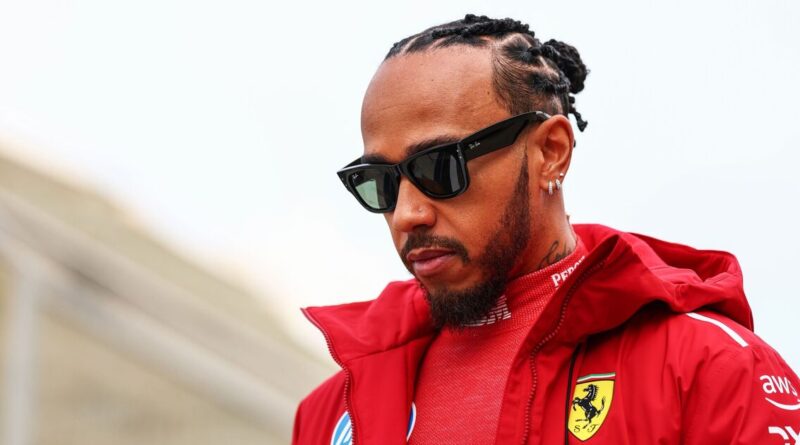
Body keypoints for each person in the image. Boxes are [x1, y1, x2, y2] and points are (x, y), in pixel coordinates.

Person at [292, 14, 800, 445]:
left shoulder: (711, 369)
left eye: (439, 168)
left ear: (550, 152)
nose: (407, 214)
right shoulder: (329, 413)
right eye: (379, 183)